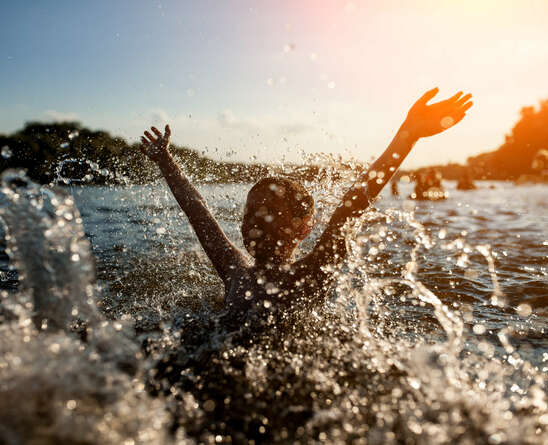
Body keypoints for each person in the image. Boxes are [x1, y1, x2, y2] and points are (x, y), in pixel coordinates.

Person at [139, 88, 472, 327]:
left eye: (269, 214)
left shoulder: (310, 274)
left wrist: (408, 135)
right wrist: (166, 160)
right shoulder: (234, 269)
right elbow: (198, 213)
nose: (255, 223)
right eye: (250, 213)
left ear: (303, 227)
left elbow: (352, 205)